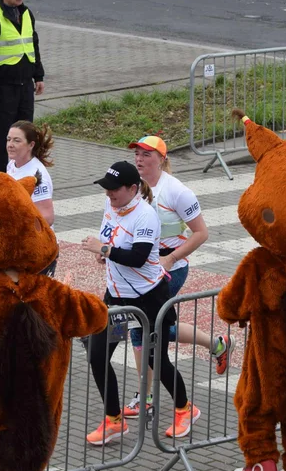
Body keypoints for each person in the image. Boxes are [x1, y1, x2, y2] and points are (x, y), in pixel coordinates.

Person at [80, 161, 202, 446]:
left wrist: (104, 250)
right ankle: (113, 420)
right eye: (106, 189)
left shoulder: (145, 216)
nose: (109, 194)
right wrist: (103, 252)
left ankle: (185, 408)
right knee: (98, 356)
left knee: (155, 362)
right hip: (117, 299)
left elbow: (137, 257)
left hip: (147, 299)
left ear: (133, 189)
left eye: (114, 189)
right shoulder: (112, 205)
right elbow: (108, 236)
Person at [122, 135, 232, 421]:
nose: (139, 159)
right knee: (156, 328)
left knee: (139, 328)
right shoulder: (134, 188)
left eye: (147, 154)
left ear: (162, 159)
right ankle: (216, 344)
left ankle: (145, 397)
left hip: (171, 269)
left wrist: (170, 259)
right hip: (143, 270)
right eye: (137, 154)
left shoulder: (177, 192)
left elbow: (201, 233)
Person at [0, 0, 45, 173]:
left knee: (26, 133)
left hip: (25, 85)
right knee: (2, 135)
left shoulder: (26, 14)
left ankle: (25, 172)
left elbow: (33, 45)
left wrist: (39, 76)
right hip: (3, 87)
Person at [5, 121, 57, 274]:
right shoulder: (12, 164)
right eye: (8, 139)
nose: (10, 144)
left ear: (31, 145)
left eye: (17, 140)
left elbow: (47, 217)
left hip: (39, 248)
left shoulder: (36, 174)